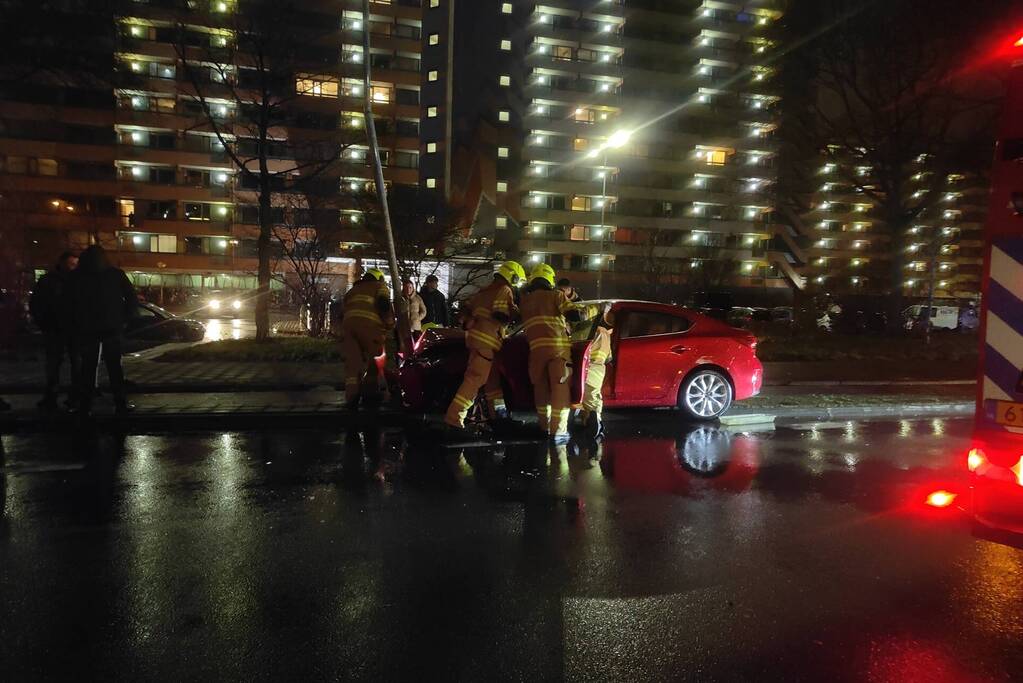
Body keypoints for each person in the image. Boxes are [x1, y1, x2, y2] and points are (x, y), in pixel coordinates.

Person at [443, 261, 525, 432]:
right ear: (513, 277)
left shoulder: (483, 292)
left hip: (478, 341)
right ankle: (453, 419)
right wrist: (516, 313)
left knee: (493, 384)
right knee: (475, 380)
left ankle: (499, 418)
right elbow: (500, 315)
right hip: (486, 343)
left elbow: (466, 313)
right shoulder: (504, 290)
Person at [71, 245, 138, 415]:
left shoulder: (77, 276)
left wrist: (74, 324)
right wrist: (125, 319)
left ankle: (85, 404)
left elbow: (68, 303)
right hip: (112, 327)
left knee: (88, 367)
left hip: (87, 329)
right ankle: (120, 402)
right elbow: (131, 298)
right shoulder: (115, 274)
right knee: (115, 367)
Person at [520, 264, 581, 444]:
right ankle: (558, 432)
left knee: (541, 390)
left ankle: (544, 427)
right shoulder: (556, 295)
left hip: (536, 353)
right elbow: (574, 315)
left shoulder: (525, 301)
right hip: (558, 351)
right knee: (560, 390)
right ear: (549, 279)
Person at [29, 251, 80, 411]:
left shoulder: (76, 281)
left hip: (71, 329)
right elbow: (37, 303)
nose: (73, 267)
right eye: (71, 264)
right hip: (56, 328)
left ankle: (71, 396)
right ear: (63, 263)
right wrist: (43, 323)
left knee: (73, 363)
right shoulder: (50, 281)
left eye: (75, 264)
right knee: (55, 363)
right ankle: (54, 396)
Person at [341, 269, 394, 409]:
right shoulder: (380, 287)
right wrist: (389, 323)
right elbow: (384, 304)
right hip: (369, 327)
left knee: (353, 363)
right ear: (379, 278)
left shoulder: (353, 290)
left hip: (349, 328)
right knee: (375, 360)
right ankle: (370, 395)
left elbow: (342, 311)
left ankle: (351, 397)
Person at [579, 309, 614, 439]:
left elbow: (580, 346)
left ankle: (593, 422)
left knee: (589, 396)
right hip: (600, 367)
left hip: (588, 366)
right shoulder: (606, 334)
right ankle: (596, 421)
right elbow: (609, 357)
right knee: (595, 394)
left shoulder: (589, 330)